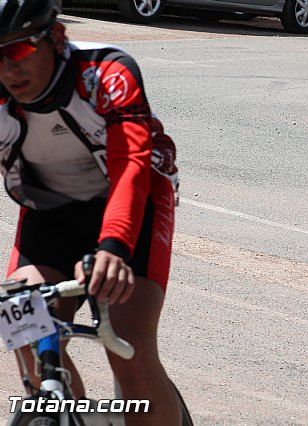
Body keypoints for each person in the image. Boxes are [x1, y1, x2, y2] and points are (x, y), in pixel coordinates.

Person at [0, 1, 184, 424]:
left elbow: (131, 167)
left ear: (57, 38)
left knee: (128, 344)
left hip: (133, 199)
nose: (9, 70)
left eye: (20, 51)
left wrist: (114, 248)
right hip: (50, 209)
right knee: (25, 327)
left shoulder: (107, 74)